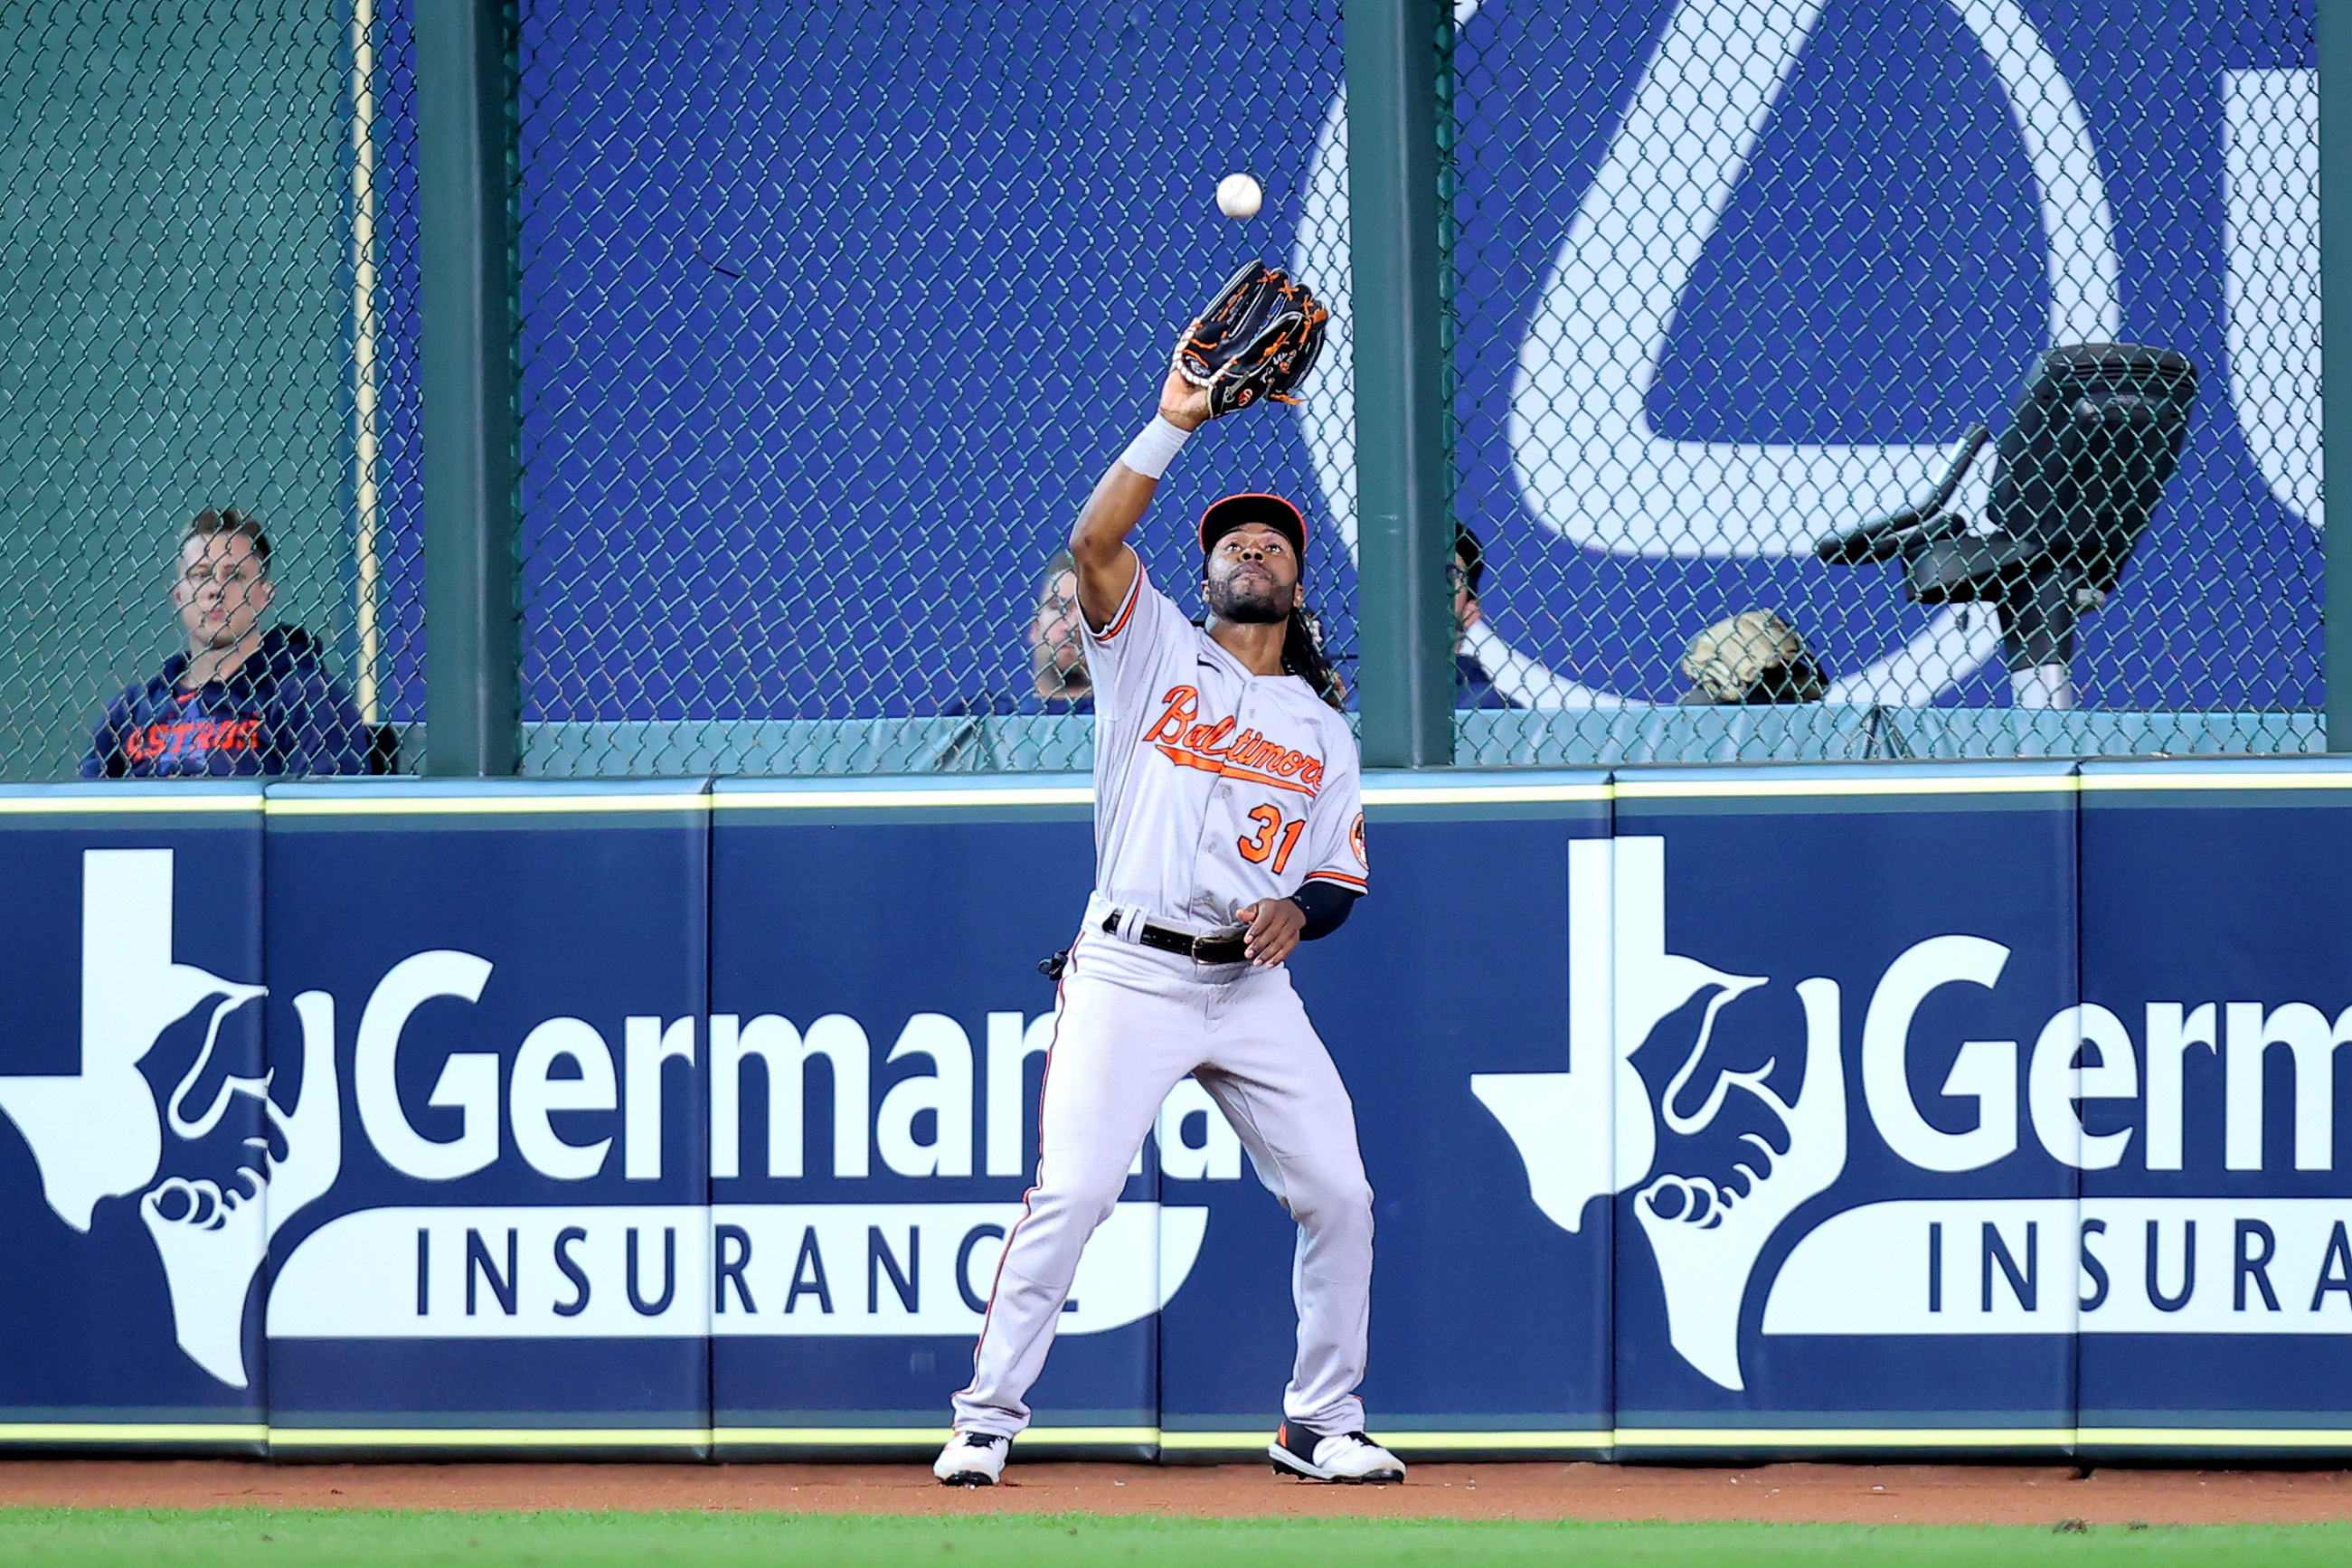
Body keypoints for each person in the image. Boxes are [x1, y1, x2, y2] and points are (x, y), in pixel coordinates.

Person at [932, 354, 1399, 1488]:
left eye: (1275, 544)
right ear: (1204, 575)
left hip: (1248, 989)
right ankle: (987, 1417)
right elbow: (1095, 546)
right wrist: (1170, 424)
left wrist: (1299, 911)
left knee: (1340, 1194)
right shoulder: (1150, 651)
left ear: (1297, 589)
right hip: (1130, 972)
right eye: (1234, 542)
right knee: (1077, 1190)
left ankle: (1318, 1422)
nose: (1252, 549)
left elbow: (1337, 873)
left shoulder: (1323, 728)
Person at [80, 509, 367, 779]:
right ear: (178, 596)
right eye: (201, 574)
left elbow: (331, 814)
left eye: (234, 576)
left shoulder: (304, 696)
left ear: (264, 595)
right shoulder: (132, 709)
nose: (216, 589)